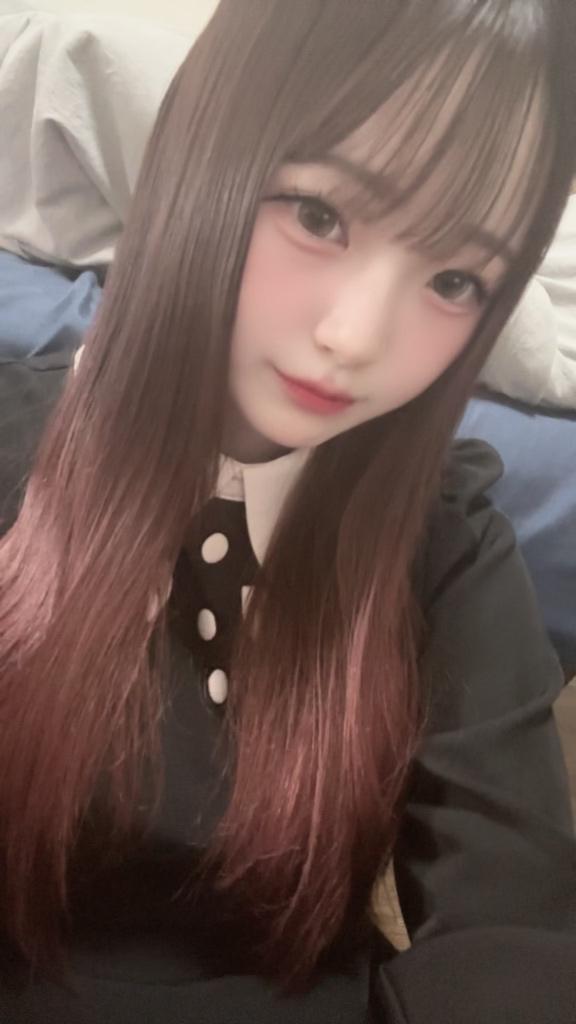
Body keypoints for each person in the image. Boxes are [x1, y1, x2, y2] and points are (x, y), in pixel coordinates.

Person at [0, 1, 575, 1020]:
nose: (354, 337)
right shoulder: (14, 447)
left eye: (454, 279)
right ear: (205, 152)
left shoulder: (444, 538)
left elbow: (513, 922)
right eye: (318, 215)